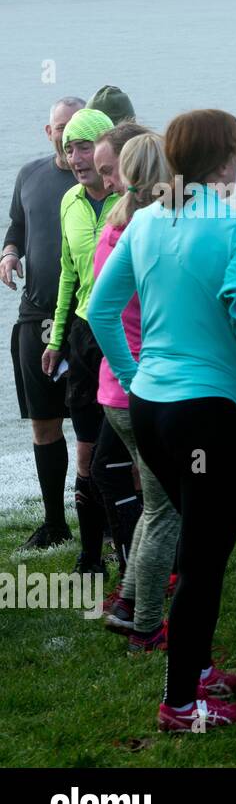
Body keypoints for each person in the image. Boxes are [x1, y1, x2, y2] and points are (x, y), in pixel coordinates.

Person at [89, 109, 236, 732]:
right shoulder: (235, 228)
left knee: (194, 545)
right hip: (211, 417)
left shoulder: (142, 223)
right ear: (225, 161)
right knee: (202, 563)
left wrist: (136, 374)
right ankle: (181, 704)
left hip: (152, 410)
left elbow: (100, 311)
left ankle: (194, 673)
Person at [92, 130, 182, 652]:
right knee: (166, 510)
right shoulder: (147, 235)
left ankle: (127, 603)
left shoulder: (115, 226)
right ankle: (147, 625)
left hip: (117, 392)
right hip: (139, 391)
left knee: (155, 504)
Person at [3, 97, 84, 549]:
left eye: (76, 128)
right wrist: (9, 253)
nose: (67, 134)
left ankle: (107, 521)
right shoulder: (29, 175)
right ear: (47, 131)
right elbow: (17, 227)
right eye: (60, 127)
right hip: (35, 316)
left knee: (97, 424)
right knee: (44, 421)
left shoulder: (101, 179)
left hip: (84, 318)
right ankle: (55, 523)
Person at [43, 107, 119, 575]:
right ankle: (91, 557)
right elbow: (69, 274)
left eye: (84, 146)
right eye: (68, 147)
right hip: (84, 334)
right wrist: (56, 339)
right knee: (87, 449)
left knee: (130, 451)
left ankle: (137, 553)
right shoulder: (70, 201)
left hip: (127, 335)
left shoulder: (130, 201)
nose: (75, 156)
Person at [88, 122, 149, 588]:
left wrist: (130, 375)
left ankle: (141, 586)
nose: (103, 179)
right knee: (121, 472)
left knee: (153, 485)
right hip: (125, 373)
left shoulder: (131, 227)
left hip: (137, 375)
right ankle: (140, 576)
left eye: (110, 171)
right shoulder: (127, 220)